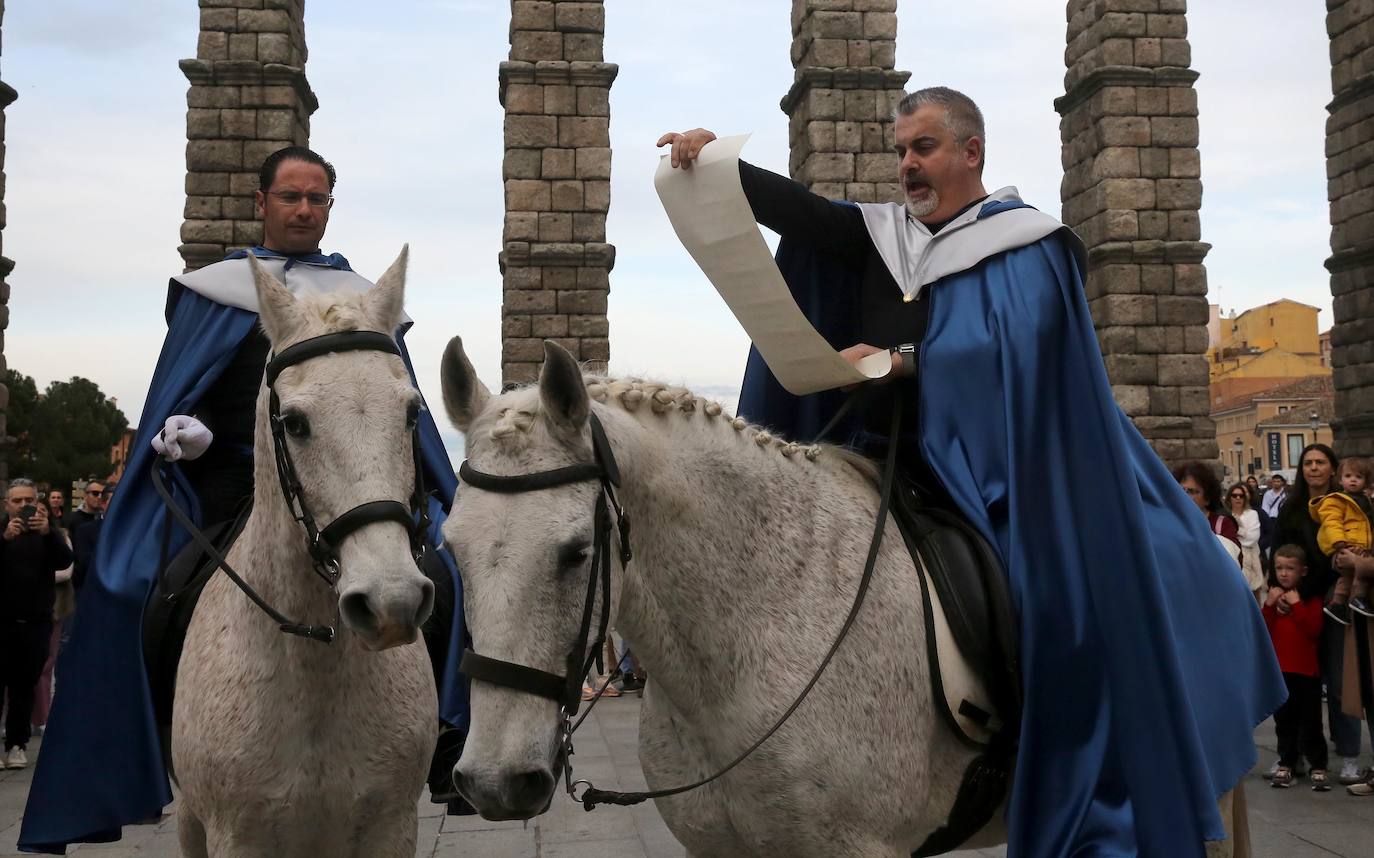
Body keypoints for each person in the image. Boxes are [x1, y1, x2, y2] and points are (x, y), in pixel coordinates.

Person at [657, 86, 1283, 856]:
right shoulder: (889, 236)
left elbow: (1013, 361)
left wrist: (895, 361)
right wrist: (718, 164)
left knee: (1062, 602)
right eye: (900, 152)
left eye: (923, 147)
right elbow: (809, 217)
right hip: (883, 461)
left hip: (1009, 468)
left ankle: (1051, 761)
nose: (907, 166)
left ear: (970, 152)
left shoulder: (1026, 244)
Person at [19, 146, 471, 853]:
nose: (303, 209)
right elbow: (183, 381)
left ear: (329, 208)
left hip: (348, 484)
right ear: (262, 202)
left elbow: (386, 403)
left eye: (316, 199)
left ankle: (451, 744)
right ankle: (153, 742)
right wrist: (182, 429)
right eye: (290, 196)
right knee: (135, 587)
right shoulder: (217, 291)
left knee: (447, 575)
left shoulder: (359, 295)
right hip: (228, 479)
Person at [0, 478, 75, 770]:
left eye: (28, 501)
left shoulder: (48, 534)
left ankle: (17, 744)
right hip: (2, 622)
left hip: (35, 623)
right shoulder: (3, 531)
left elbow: (65, 561)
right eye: (16, 501)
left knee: (24, 686)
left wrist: (47, 533)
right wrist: (5, 538)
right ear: (7, 504)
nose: (23, 507)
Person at [1262, 544, 1330, 790]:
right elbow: (1263, 630)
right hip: (1281, 670)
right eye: (1279, 568)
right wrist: (1269, 605)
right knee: (1284, 721)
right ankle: (1287, 762)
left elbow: (1313, 630)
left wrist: (1297, 604)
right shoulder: (1275, 596)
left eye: (1290, 568)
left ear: (1303, 571)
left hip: (1306, 671)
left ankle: (1318, 764)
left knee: (1310, 721)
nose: (1284, 573)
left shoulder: (1310, 599)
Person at [1312, 456, 1374, 625]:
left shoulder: (1365, 500)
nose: (1353, 480)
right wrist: (1339, 542)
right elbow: (1332, 522)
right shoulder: (1336, 500)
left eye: (1358, 477)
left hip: (1361, 546)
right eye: (1348, 476)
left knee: (1351, 576)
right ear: (1340, 480)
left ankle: (1338, 604)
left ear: (1366, 482)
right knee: (1357, 575)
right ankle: (1356, 599)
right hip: (1348, 544)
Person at [1174, 461, 1240, 551]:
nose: (1185, 495)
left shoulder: (1223, 525)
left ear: (1207, 498)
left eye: (1192, 491)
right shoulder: (1172, 522)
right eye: (1182, 490)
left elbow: (1232, 559)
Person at [1228, 481, 1266, 600]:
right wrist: (1243, 533)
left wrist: (1237, 532)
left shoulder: (1252, 514)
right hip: (1232, 560)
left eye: (1241, 495)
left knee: (1254, 598)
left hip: (1251, 561)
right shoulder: (1226, 515)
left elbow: (1252, 538)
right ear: (1229, 498)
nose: (1238, 498)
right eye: (1234, 495)